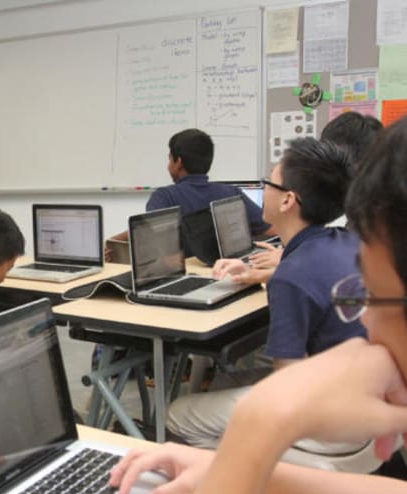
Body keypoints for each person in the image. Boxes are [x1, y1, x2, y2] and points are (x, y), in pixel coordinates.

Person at [109, 115, 407, 494]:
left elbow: (293, 382)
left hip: (331, 441)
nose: (368, 328)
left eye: (372, 297)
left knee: (187, 409)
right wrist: (237, 473)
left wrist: (252, 440)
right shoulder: (318, 249)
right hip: (358, 450)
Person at [167, 138, 367, 456]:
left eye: (268, 182)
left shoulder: (293, 276)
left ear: (288, 200)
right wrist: (262, 273)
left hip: (336, 425)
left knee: (179, 414)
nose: (262, 190)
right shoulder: (345, 242)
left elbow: (287, 386)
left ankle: (261, 483)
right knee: (225, 383)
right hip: (368, 405)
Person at [216, 112, 384, 287]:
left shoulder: (378, 222)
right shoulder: (367, 208)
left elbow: (352, 278)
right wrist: (282, 266)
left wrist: (295, 262)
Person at [106, 128, 273, 260]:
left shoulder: (164, 197)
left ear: (178, 162)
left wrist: (111, 243)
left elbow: (146, 236)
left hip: (183, 278)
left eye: (169, 158)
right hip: (229, 274)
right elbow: (271, 229)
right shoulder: (231, 193)